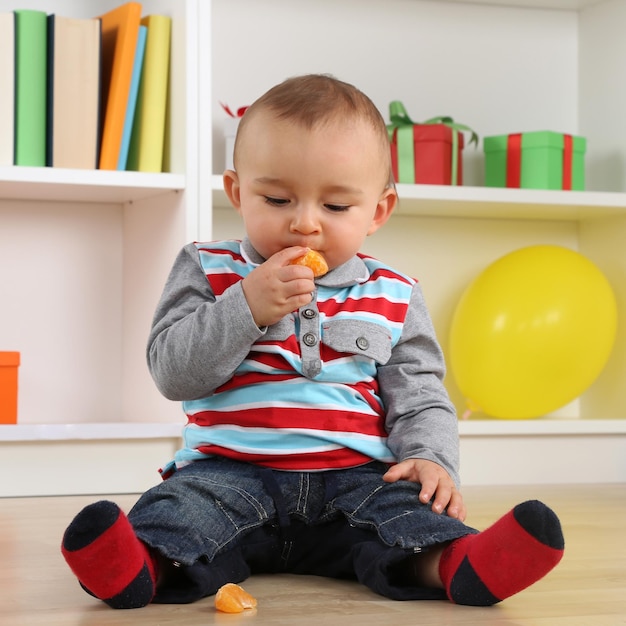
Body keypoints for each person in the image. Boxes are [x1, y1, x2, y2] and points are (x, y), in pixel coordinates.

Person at [61, 74, 564, 609]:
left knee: (407, 512)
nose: (304, 224)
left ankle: (454, 565)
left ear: (378, 211)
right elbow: (172, 373)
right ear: (236, 192)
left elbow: (419, 391)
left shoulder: (394, 293)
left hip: (355, 479)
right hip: (228, 471)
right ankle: (143, 566)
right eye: (277, 198)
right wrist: (245, 307)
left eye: (337, 207)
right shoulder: (208, 269)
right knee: (180, 509)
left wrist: (430, 458)